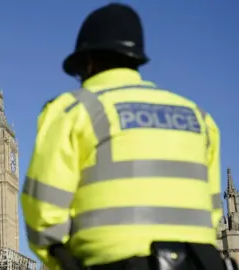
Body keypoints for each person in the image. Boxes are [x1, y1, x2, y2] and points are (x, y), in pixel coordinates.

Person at [21, 3, 230, 270]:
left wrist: (61, 262)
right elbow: (212, 211)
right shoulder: (199, 117)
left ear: (89, 62)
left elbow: (43, 213)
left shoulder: (73, 110)